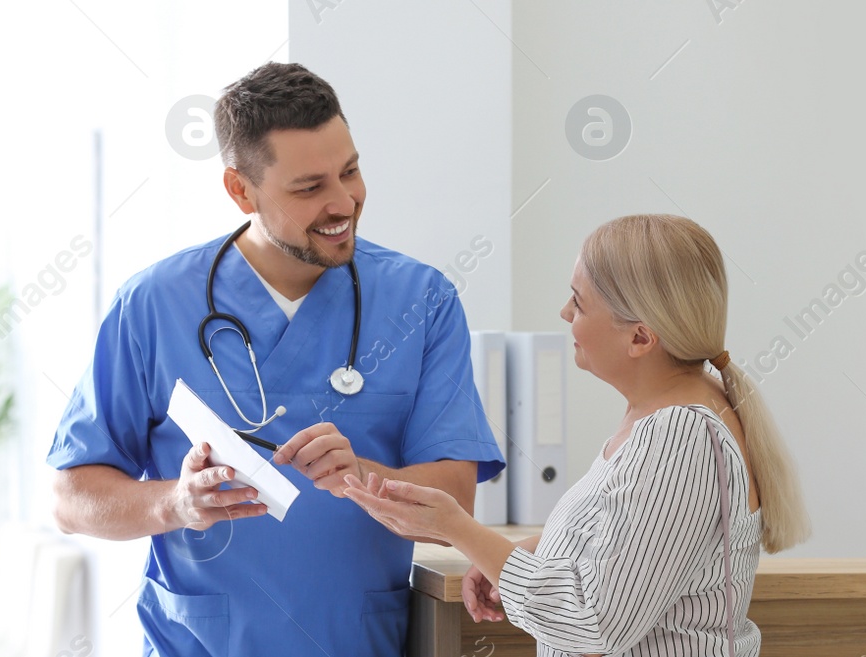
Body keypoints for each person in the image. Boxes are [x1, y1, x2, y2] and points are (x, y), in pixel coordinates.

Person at [47, 62, 505, 656]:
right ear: (241, 190)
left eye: (351, 171)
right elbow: (71, 498)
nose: (344, 202)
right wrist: (176, 503)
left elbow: (454, 497)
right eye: (310, 188)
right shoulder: (154, 304)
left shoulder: (422, 302)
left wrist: (362, 476)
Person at [344, 214, 812, 656]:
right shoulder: (672, 414)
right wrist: (518, 558)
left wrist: (458, 529)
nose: (565, 312)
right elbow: (630, 547)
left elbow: (595, 622)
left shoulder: (680, 434)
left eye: (580, 302)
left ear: (640, 339)